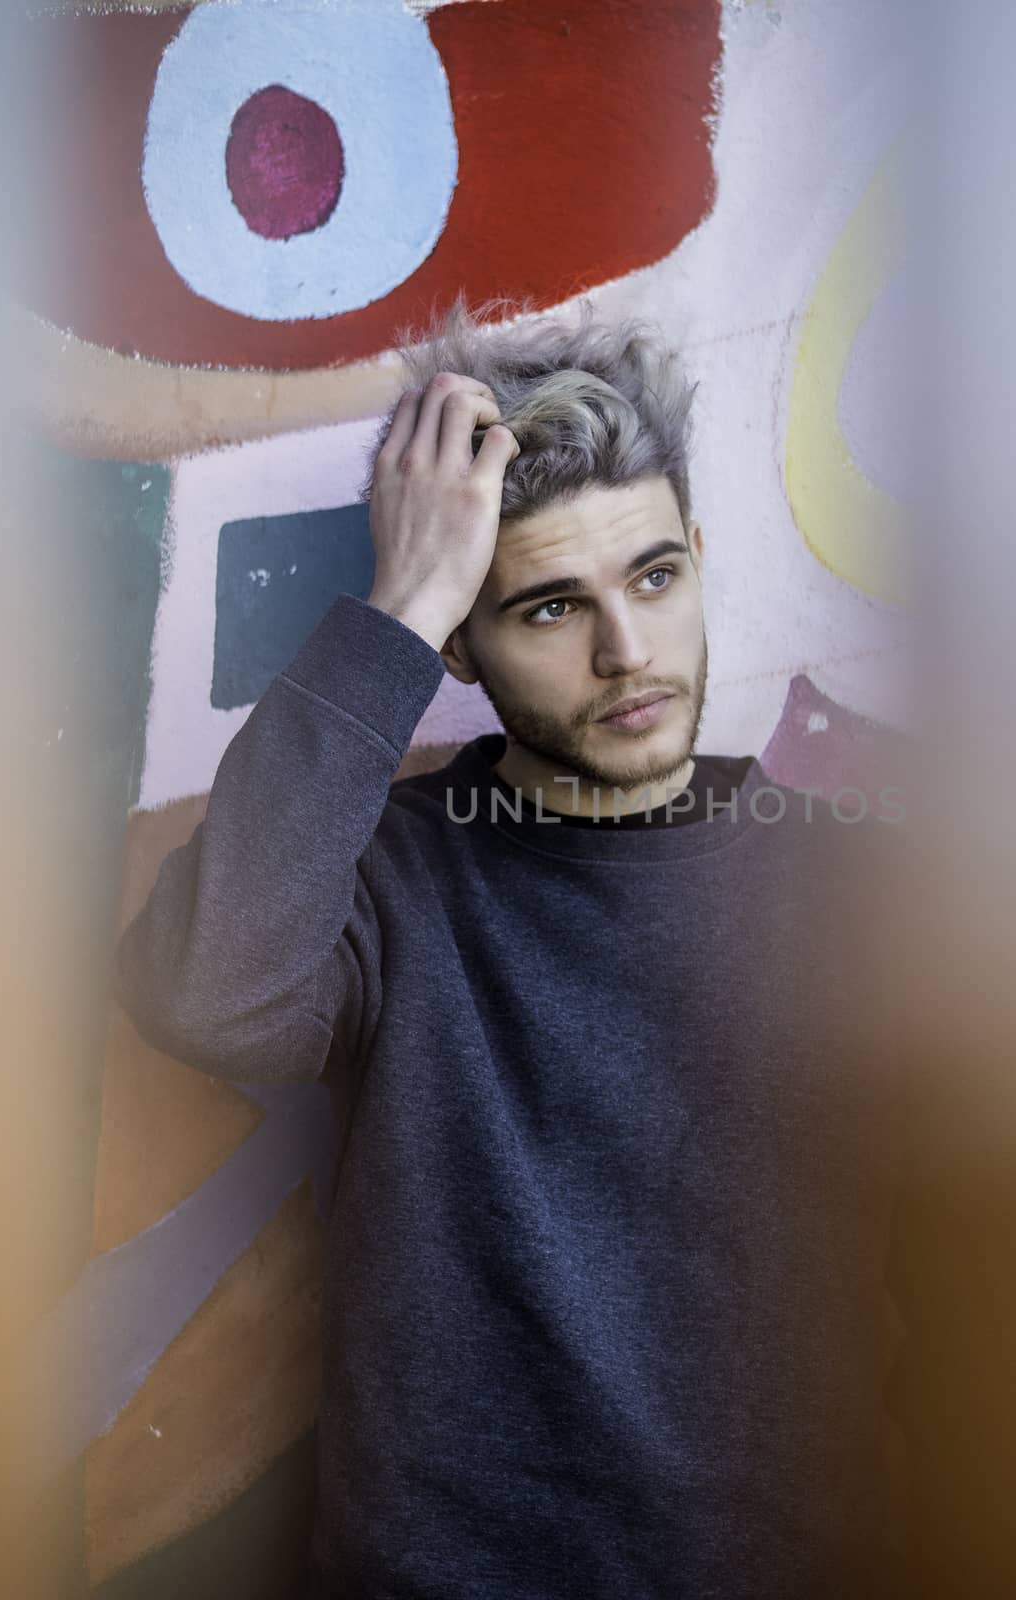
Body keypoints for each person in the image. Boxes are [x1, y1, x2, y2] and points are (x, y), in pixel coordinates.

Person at [114, 295, 899, 1598]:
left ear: (699, 556)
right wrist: (401, 603)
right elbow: (208, 997)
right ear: (461, 650)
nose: (625, 651)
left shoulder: (854, 883)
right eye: (545, 609)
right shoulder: (401, 871)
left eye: (653, 576)